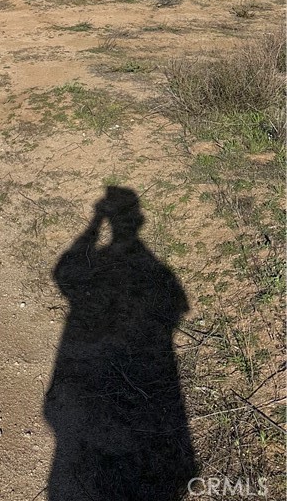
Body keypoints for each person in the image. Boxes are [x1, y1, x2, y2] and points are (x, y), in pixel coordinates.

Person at [44, 186, 196, 501]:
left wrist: (94, 224)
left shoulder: (148, 269)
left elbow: (64, 274)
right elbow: (178, 305)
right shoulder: (157, 271)